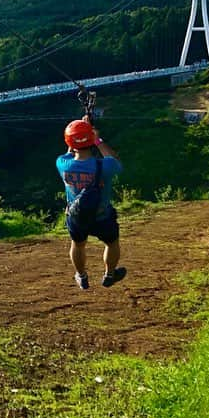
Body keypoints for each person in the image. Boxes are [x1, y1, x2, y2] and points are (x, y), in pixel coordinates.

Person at [56, 118, 125, 290]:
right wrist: (97, 140)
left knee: (77, 245)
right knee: (112, 243)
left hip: (76, 216)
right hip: (102, 216)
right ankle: (110, 274)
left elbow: (70, 150)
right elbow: (115, 160)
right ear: (91, 140)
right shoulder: (105, 165)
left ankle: (82, 276)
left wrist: (80, 133)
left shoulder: (62, 164)